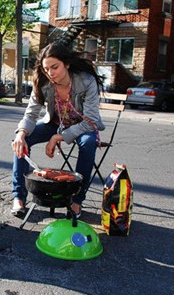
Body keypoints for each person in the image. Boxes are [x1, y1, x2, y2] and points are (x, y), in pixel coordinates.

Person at [11, 43, 105, 218]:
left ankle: (77, 200)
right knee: (20, 141)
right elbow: (31, 115)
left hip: (82, 127)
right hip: (55, 124)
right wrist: (21, 133)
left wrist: (58, 137)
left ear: (66, 64)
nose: (50, 73)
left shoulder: (86, 81)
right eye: (46, 69)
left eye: (55, 67)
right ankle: (19, 197)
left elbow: (91, 121)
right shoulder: (43, 83)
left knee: (88, 142)